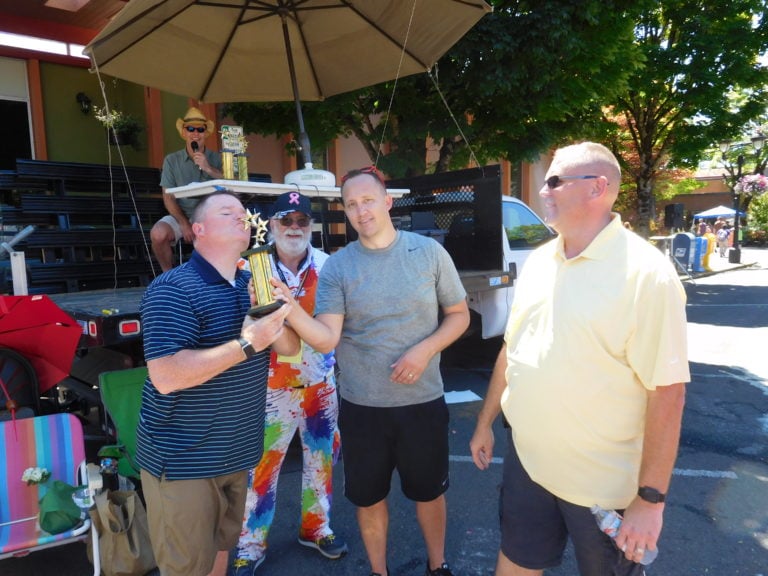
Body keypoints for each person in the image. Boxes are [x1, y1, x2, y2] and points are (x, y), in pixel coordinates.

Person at [469, 142, 689, 576]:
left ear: (598, 188)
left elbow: (668, 392)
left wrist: (650, 500)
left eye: (554, 181)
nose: (543, 191)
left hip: (603, 489)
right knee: (514, 566)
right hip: (529, 466)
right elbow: (513, 350)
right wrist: (483, 422)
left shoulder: (647, 275)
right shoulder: (539, 261)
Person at [273, 167, 470, 576]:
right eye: (351, 205)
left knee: (429, 494)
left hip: (423, 402)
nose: (361, 211)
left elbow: (458, 315)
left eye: (367, 200)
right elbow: (326, 338)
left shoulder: (428, 253)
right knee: (368, 499)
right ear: (345, 210)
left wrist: (424, 350)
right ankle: (378, 571)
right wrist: (289, 309)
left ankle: (439, 566)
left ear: (387, 201)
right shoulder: (339, 267)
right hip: (362, 408)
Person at [137, 190, 299, 576]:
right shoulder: (172, 289)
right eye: (228, 212)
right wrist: (247, 343)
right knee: (188, 567)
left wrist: (278, 309)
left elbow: (291, 348)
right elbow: (166, 375)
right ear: (198, 230)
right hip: (183, 462)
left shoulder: (252, 282)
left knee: (222, 550)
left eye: (244, 213)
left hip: (237, 452)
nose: (242, 217)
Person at [229, 192, 347, 575]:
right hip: (269, 387)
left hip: (320, 383)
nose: (294, 228)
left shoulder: (329, 267)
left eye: (301, 221)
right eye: (285, 220)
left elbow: (331, 331)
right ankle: (250, 546)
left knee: (321, 464)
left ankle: (317, 528)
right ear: (272, 225)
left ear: (310, 226)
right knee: (260, 472)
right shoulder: (251, 269)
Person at [150, 106, 223, 272]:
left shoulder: (217, 159)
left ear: (206, 133)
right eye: (190, 129)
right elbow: (168, 197)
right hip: (181, 214)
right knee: (158, 234)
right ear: (184, 133)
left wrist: (208, 168)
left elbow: (232, 185)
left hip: (210, 215)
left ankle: (216, 277)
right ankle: (168, 276)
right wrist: (184, 223)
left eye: (200, 129)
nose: (195, 133)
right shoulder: (172, 160)